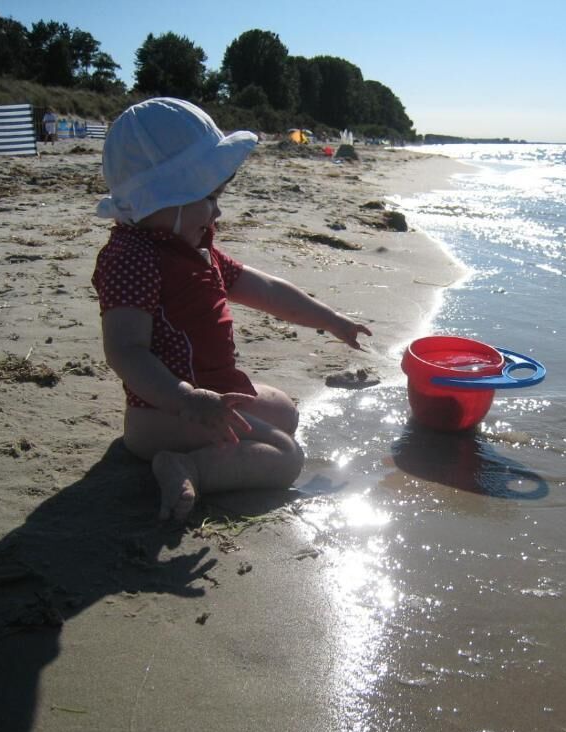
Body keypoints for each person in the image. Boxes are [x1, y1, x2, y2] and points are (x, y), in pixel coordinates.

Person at [92, 98, 371, 521]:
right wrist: (184, 398)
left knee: (285, 411)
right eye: (208, 198)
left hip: (208, 393)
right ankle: (188, 466)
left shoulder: (195, 251)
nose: (217, 211)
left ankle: (195, 449)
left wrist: (329, 319)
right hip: (162, 411)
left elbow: (268, 291)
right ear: (164, 196)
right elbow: (125, 350)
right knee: (285, 456)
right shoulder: (133, 257)